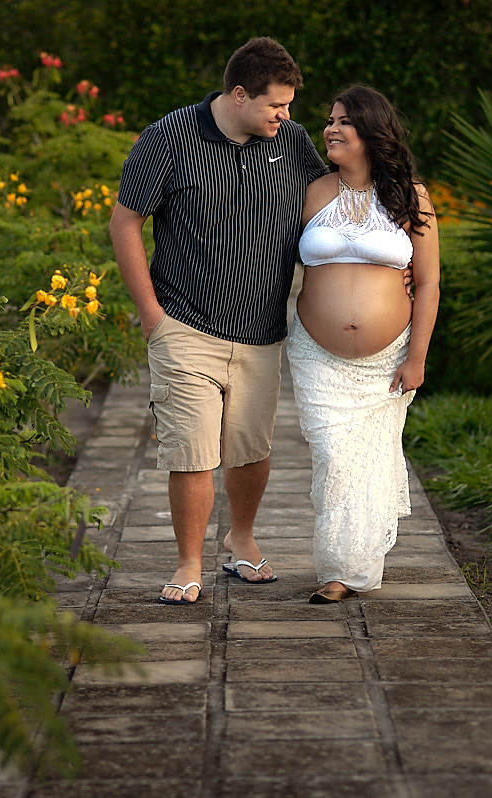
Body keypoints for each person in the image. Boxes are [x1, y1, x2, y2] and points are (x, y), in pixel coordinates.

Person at [108, 37, 328, 605]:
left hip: (261, 329)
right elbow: (126, 218)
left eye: (289, 106)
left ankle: (242, 539)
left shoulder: (292, 142)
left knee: (250, 450)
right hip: (184, 324)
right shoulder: (168, 139)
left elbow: (330, 200)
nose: (287, 116)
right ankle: (188, 564)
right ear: (238, 94)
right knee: (192, 449)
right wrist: (151, 314)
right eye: (276, 105)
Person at [288, 85, 440, 603]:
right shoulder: (311, 192)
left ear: (372, 132)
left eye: (344, 121)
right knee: (334, 457)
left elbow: (429, 282)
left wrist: (417, 355)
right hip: (316, 354)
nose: (331, 128)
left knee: (368, 458)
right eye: (329, 120)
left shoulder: (410, 197)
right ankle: (341, 566)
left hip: (388, 358)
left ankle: (345, 570)